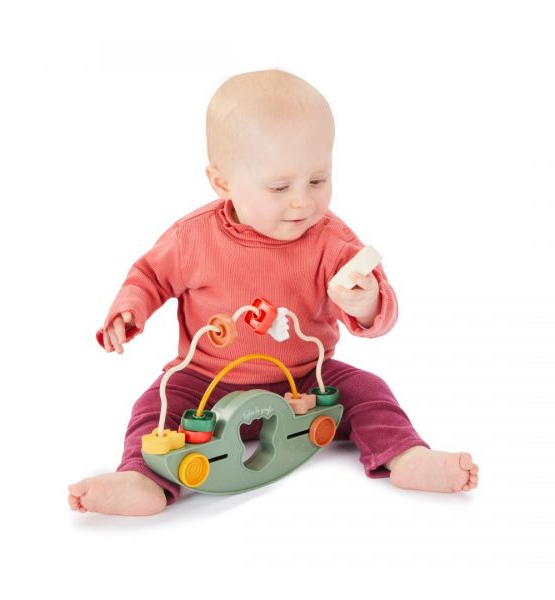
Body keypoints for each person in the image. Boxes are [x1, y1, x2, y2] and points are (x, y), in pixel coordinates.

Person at [68, 69, 479, 516]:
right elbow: (149, 276)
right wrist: (129, 310)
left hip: (306, 380)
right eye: (280, 187)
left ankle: (405, 455)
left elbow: (376, 302)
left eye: (318, 180)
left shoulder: (330, 239)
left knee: (368, 389)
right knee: (154, 407)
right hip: (205, 383)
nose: (303, 201)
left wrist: (367, 303)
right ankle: (141, 478)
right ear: (223, 183)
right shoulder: (193, 237)